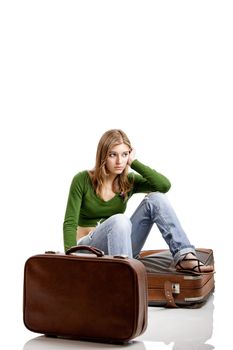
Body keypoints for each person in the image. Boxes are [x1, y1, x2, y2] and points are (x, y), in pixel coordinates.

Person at [63, 129, 214, 274]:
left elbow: (163, 186)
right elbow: (70, 223)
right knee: (119, 220)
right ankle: (125, 279)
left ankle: (184, 256)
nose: (119, 161)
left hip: (120, 250)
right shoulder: (82, 179)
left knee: (156, 198)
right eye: (112, 155)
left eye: (124, 154)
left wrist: (134, 163)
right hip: (88, 250)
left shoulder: (128, 181)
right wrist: (69, 260)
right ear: (103, 156)